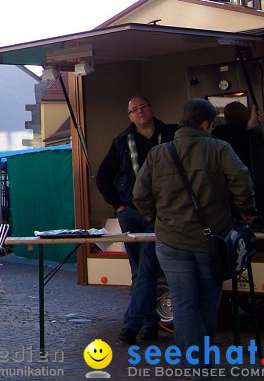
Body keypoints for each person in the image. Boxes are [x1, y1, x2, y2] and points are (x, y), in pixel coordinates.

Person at [134, 98, 256, 363]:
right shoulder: (219, 149)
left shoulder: (158, 154)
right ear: (204, 124)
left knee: (183, 303)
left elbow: (140, 195)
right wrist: (246, 208)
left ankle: (196, 364)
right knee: (207, 302)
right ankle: (203, 359)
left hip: (170, 242)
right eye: (211, 125)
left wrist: (157, 218)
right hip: (211, 242)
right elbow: (241, 179)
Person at [96, 96, 177, 345]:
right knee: (139, 271)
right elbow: (102, 177)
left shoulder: (172, 135)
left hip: (158, 214)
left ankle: (131, 325)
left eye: (143, 107)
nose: (140, 112)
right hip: (130, 213)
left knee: (147, 269)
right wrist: (118, 206)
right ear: (130, 116)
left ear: (151, 109)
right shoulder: (121, 142)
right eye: (134, 110)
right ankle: (150, 325)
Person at [211, 102, 264, 214]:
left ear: (226, 116)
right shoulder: (260, 135)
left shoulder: (220, 137)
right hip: (263, 188)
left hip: (229, 196)